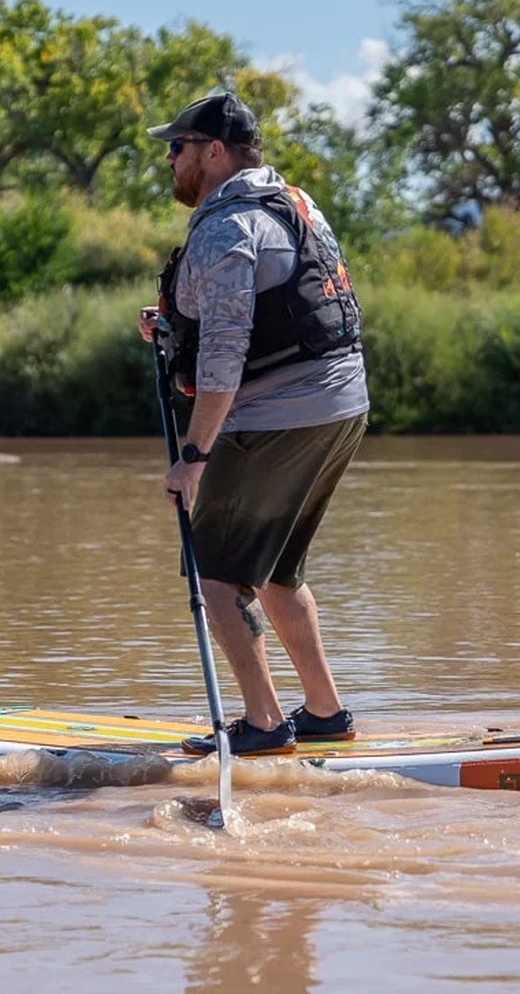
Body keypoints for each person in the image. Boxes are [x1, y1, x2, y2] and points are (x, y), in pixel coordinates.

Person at [137, 91, 368, 756]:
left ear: (214, 151)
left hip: (278, 416)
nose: (170, 158)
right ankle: (325, 713)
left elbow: (225, 357)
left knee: (214, 574)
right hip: (339, 406)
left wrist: (194, 456)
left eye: (178, 146)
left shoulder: (225, 227)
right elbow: (273, 308)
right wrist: (171, 325)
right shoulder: (294, 204)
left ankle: (265, 726)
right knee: (276, 571)